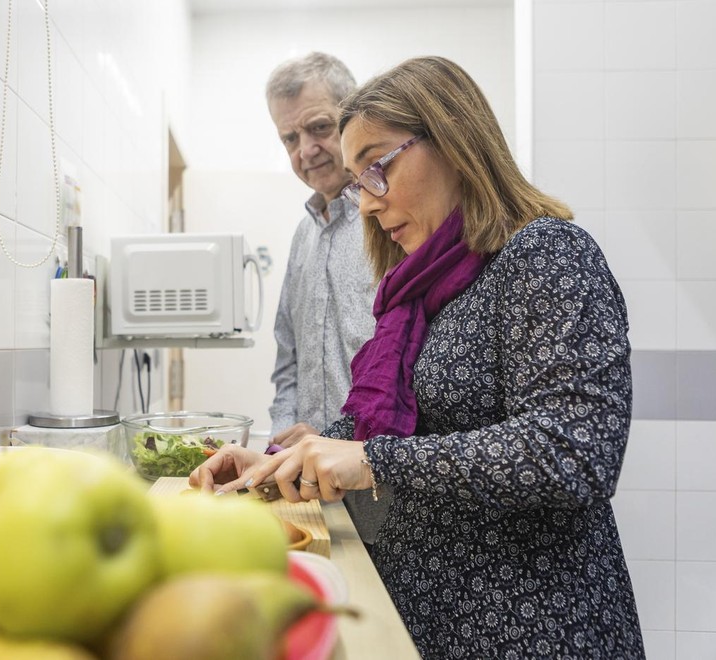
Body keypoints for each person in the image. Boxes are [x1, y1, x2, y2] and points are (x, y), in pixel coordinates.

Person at [193, 56, 645, 658]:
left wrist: (372, 461)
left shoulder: (545, 255)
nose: (368, 205)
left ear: (453, 139)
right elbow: (368, 428)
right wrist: (273, 462)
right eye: (358, 184)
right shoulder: (416, 290)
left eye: (376, 168)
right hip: (431, 614)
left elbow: (575, 451)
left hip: (531, 625)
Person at [264, 53, 387, 547]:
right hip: (310, 486)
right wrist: (279, 443)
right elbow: (287, 356)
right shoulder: (303, 236)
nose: (305, 151)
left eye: (318, 128)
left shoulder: (390, 219)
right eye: (289, 139)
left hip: (381, 478)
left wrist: (351, 447)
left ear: (352, 117)